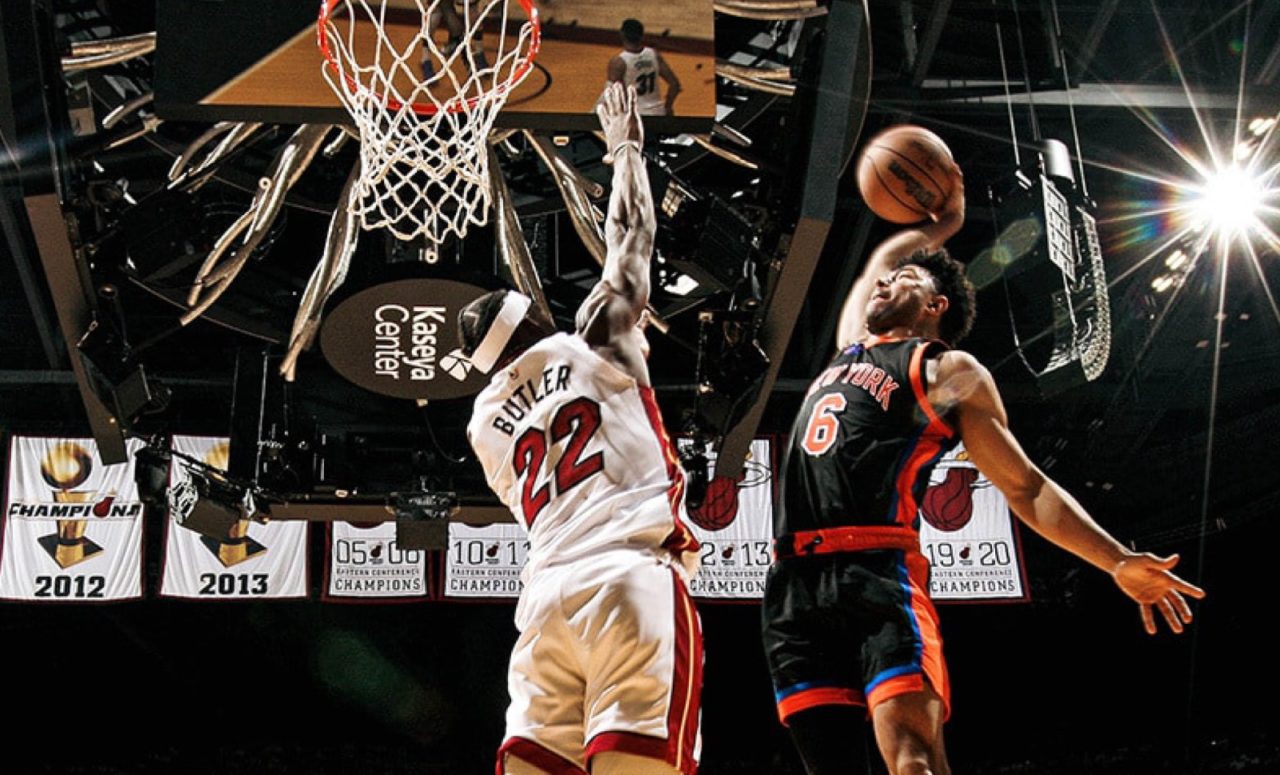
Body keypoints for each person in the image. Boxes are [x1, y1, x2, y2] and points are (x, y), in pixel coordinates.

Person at [760, 158, 1207, 775]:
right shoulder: (849, 348)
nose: (884, 283)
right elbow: (880, 259)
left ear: (935, 305)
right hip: (791, 584)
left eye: (905, 279)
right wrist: (943, 221)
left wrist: (1118, 562)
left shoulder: (949, 372)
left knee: (911, 760)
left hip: (876, 571)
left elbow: (1026, 488)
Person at [458, 82, 702, 775]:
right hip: (626, 574)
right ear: (531, 316)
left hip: (543, 602)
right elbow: (630, 239)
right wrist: (627, 150)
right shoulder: (592, 337)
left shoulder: (482, 427)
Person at [606, 19, 681, 117]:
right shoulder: (653, 54)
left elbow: (611, 95)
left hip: (636, 116)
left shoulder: (618, 62)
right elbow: (675, 84)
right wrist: (668, 107)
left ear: (622, 34)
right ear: (642, 35)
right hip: (658, 112)